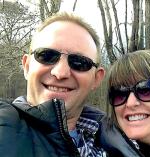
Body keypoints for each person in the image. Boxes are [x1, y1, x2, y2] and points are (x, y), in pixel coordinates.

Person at [0, 12, 109, 157]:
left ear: (96, 78)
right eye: (46, 55)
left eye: (79, 62)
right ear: (26, 66)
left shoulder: (120, 140)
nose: (60, 73)